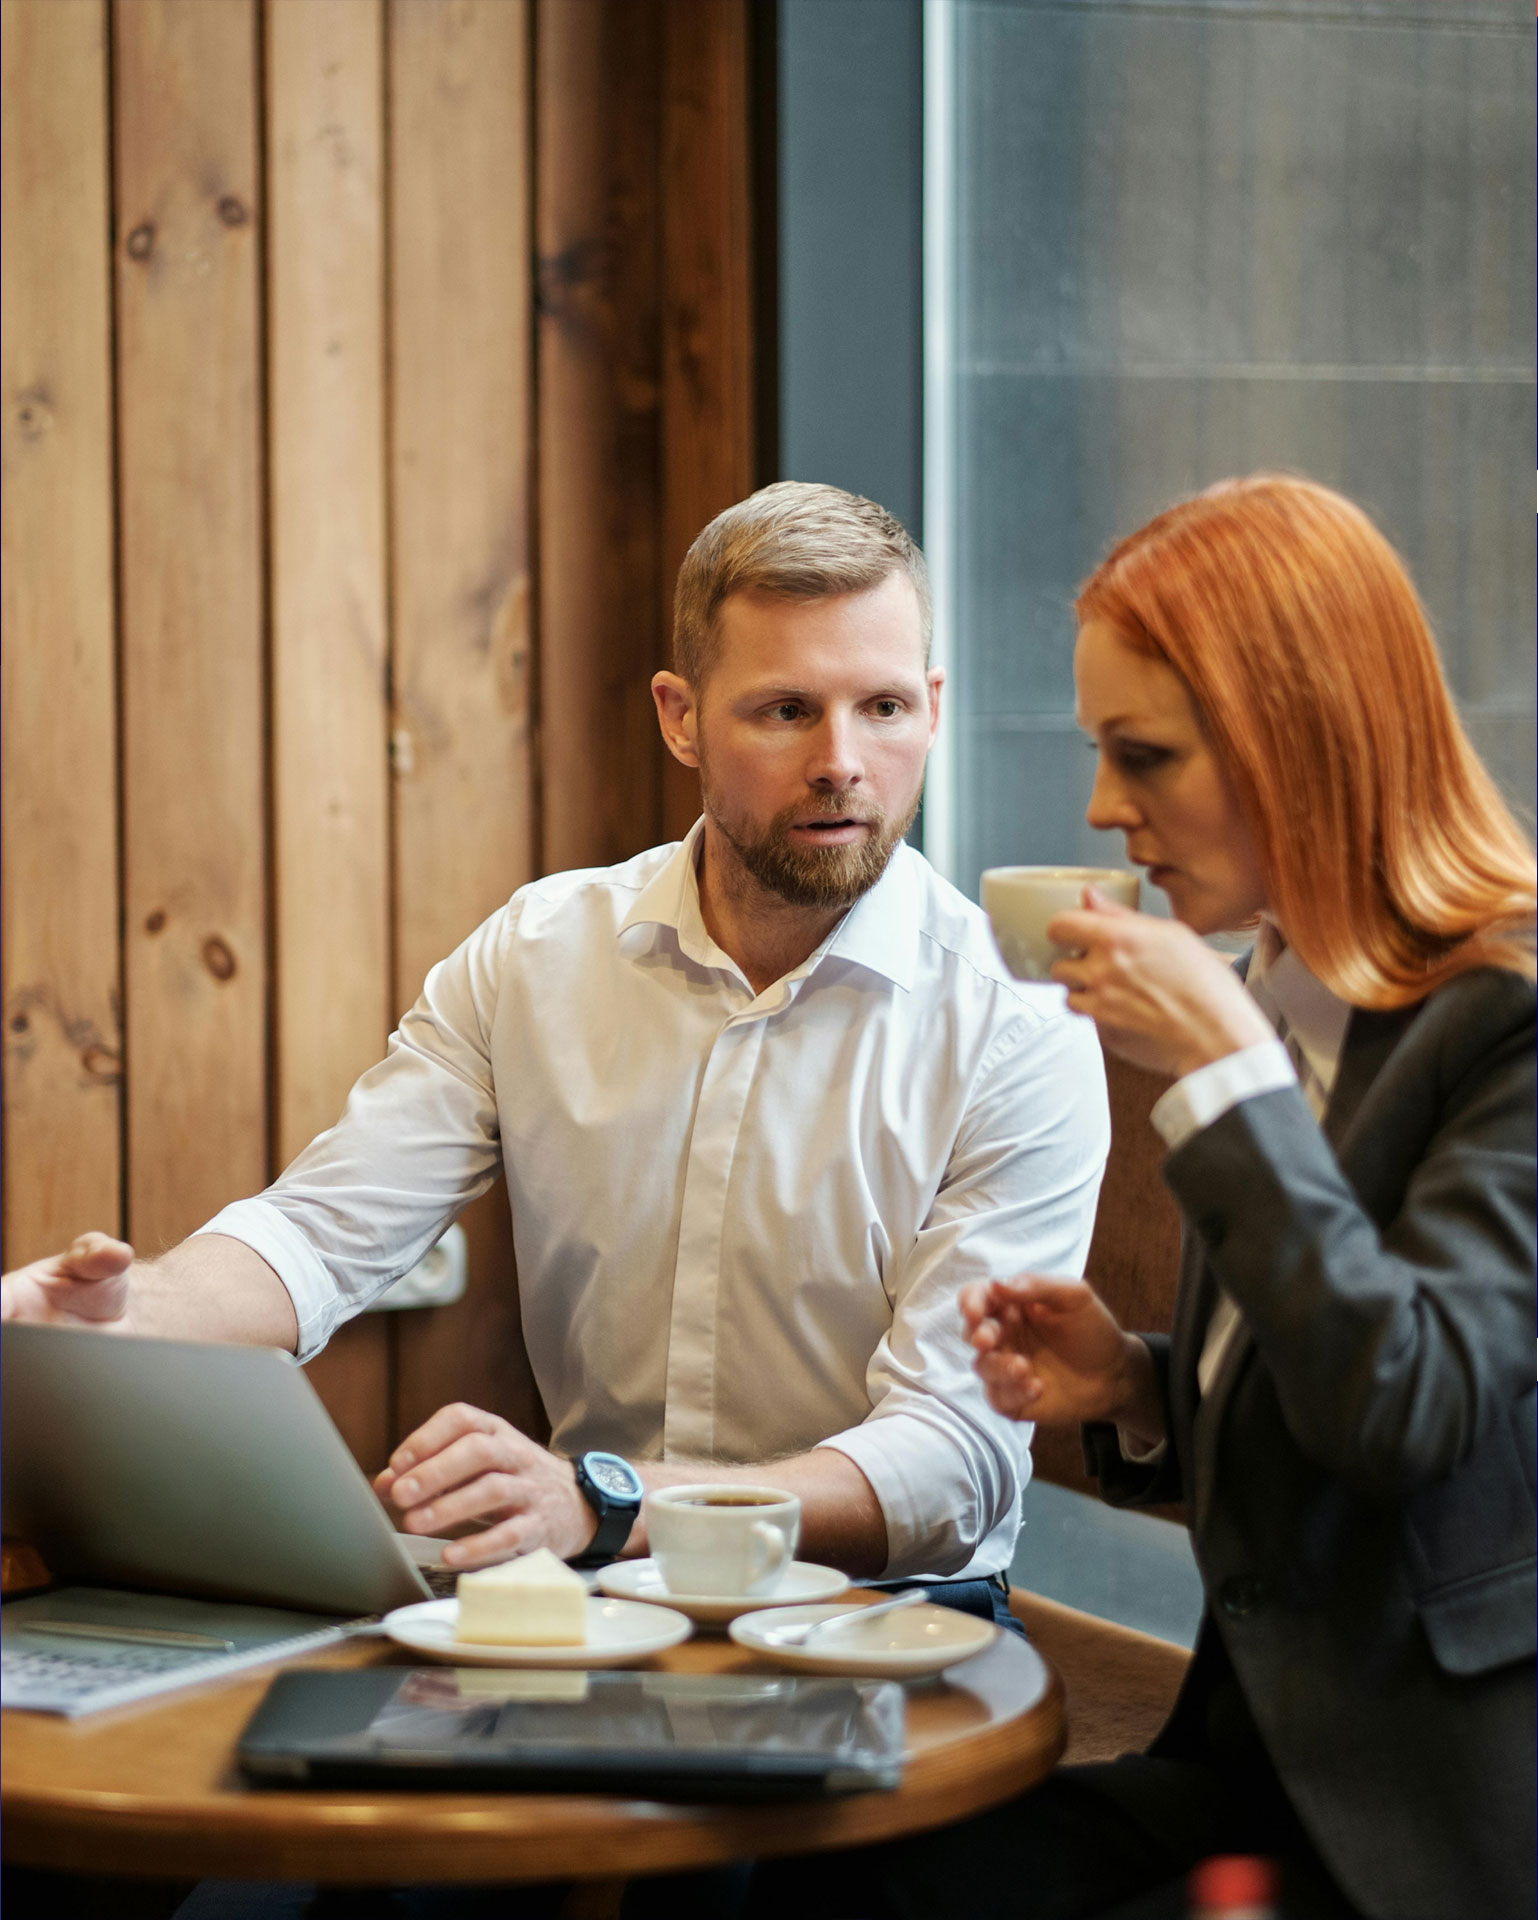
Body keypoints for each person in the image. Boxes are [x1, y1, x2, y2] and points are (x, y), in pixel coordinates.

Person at [1, 482, 1109, 1612]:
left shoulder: (1016, 1026)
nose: (841, 760)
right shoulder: (534, 951)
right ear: (679, 716)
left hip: (890, 1624)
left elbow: (951, 1466)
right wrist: (116, 1326)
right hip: (595, 1599)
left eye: (880, 708)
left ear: (929, 706)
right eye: (783, 711)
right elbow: (322, 1234)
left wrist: (609, 1506)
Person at [748, 475, 1536, 1920]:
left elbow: (1409, 1410)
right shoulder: (1279, 994)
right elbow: (1318, 1367)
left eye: (1144, 755)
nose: (1105, 808)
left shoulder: (1501, 1026)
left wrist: (1226, 1082)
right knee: (790, 1891)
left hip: (1416, 1813)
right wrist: (1134, 1387)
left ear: (1303, 745)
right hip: (1250, 1762)